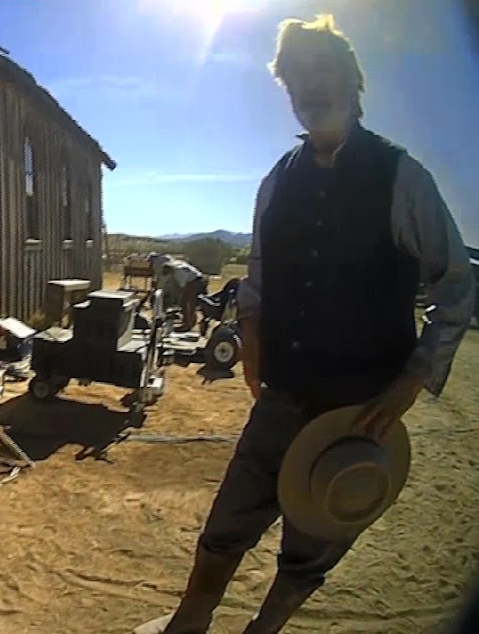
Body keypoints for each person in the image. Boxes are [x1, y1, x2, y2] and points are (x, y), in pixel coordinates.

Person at [134, 13, 475, 634]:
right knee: (225, 527)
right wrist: (253, 331)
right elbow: (258, 275)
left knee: (313, 543)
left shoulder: (402, 178)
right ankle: (191, 620)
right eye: (294, 80)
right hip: (283, 397)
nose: (307, 88)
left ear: (350, 78)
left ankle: (264, 630)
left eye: (319, 72)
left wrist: (412, 381)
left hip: (360, 409)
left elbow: (457, 284)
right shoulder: (277, 182)